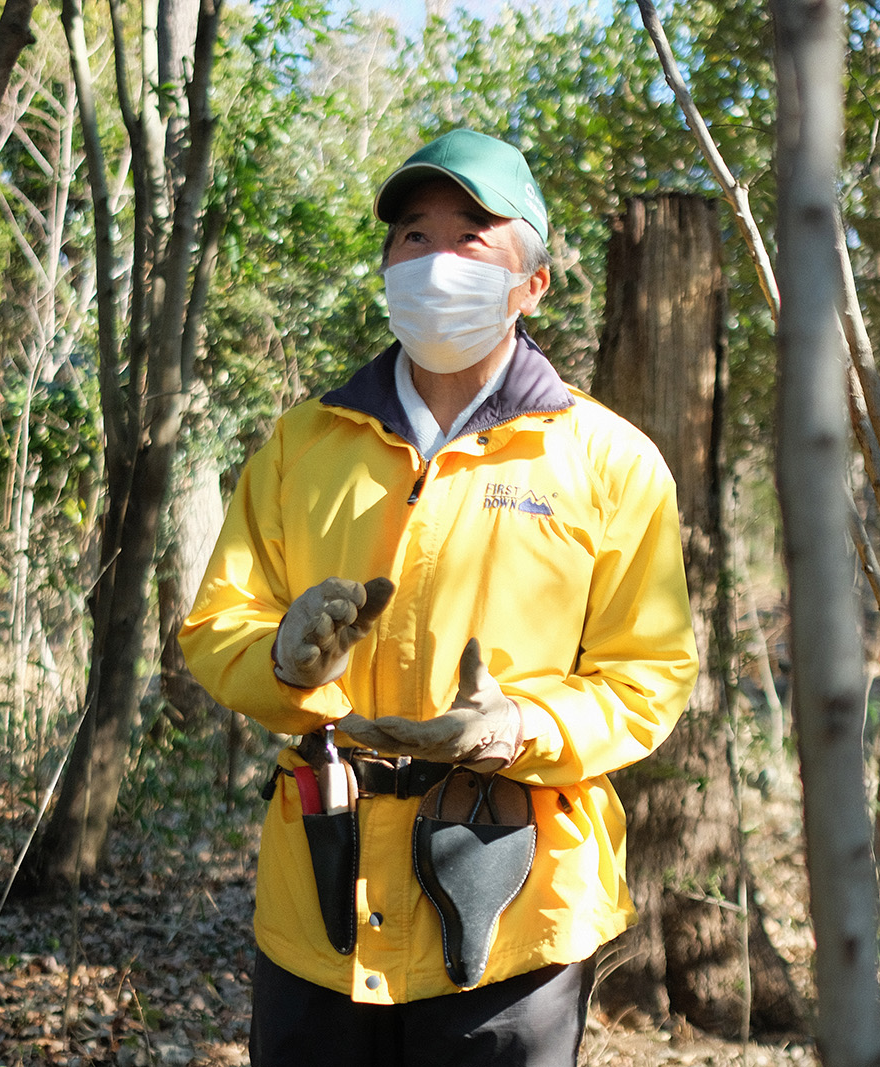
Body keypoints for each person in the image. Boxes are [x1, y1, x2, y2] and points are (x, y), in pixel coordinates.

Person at [179, 128, 697, 1067]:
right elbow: (219, 623)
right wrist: (280, 659)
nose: (434, 261)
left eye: (470, 238)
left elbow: (647, 677)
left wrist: (517, 726)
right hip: (319, 898)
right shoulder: (304, 443)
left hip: (513, 912)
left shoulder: (607, 460)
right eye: (412, 237)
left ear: (531, 283)